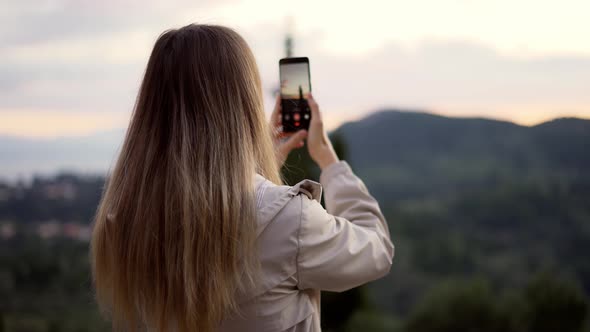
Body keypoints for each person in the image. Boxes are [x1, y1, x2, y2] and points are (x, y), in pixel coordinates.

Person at [90, 23, 393, 332]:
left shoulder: (123, 222)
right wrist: (329, 161)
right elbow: (376, 250)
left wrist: (256, 162)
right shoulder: (290, 220)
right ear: (244, 104)